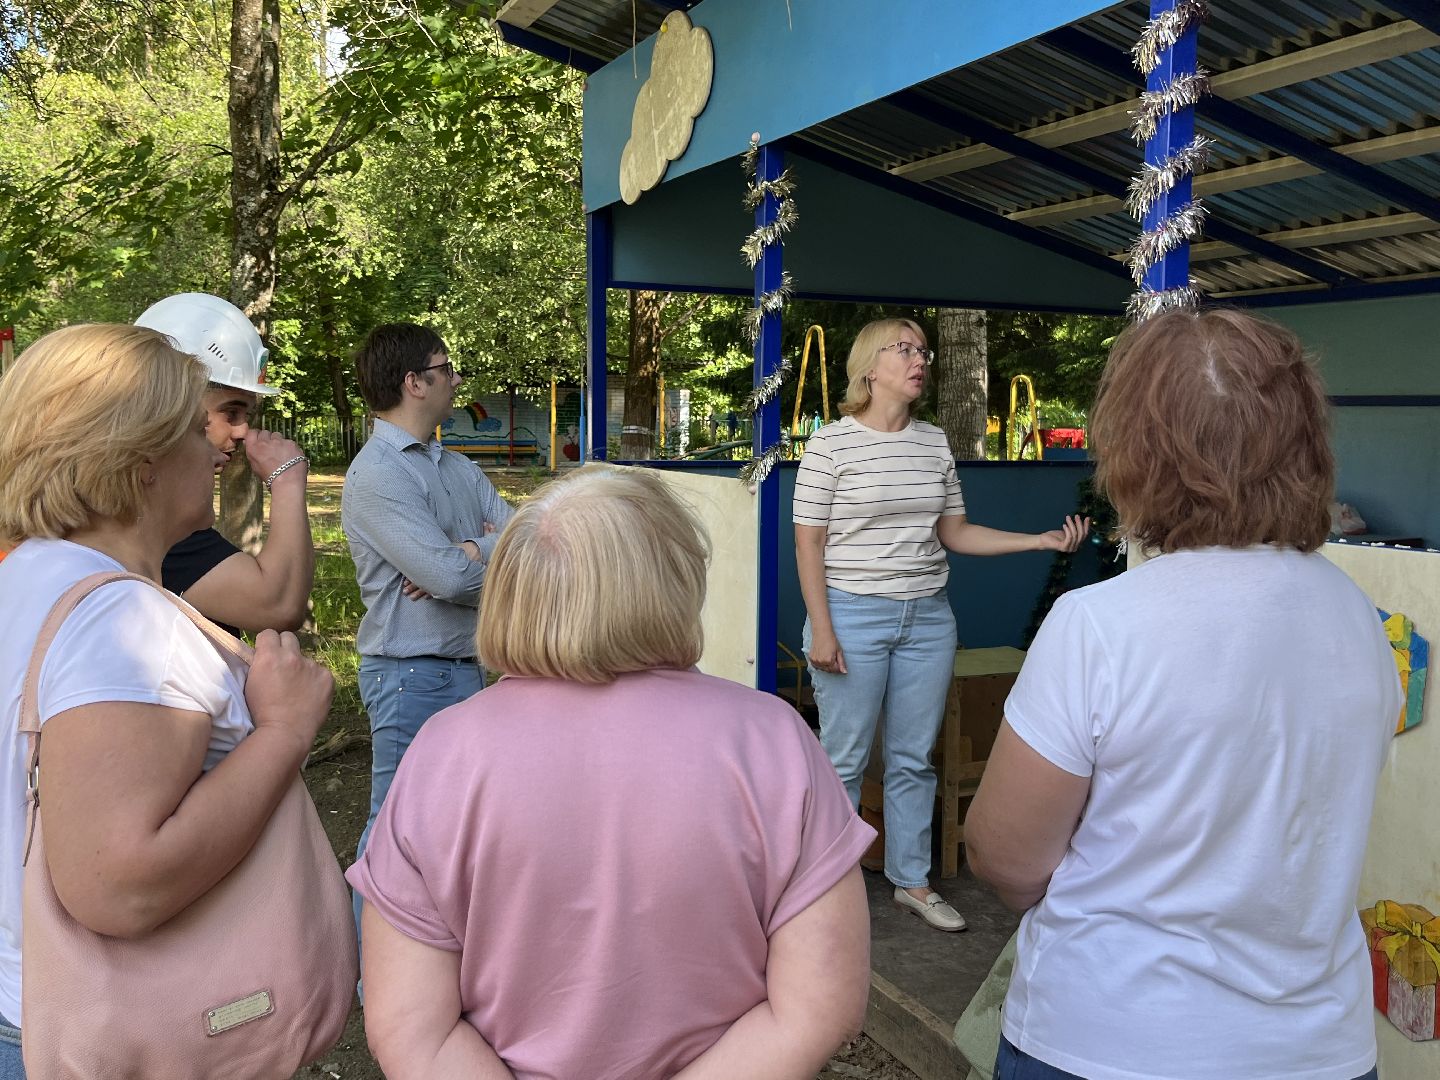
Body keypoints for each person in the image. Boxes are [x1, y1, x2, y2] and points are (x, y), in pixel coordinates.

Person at [965, 309, 1400, 1080]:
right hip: (1317, 1047)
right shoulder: (1357, 618)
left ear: (1136, 450)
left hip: (1106, 1038)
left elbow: (1004, 856)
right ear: (1305, 444)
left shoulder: (1100, 624)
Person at [349, 466, 875, 1079]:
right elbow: (817, 1009)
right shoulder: (774, 741)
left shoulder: (443, 754)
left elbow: (412, 1031)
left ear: (513, 589)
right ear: (676, 579)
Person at [0, 325, 336, 1077]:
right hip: (114, 1041)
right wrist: (281, 731)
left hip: (35, 1011)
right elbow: (121, 885)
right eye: (196, 428)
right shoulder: (118, 626)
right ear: (140, 460)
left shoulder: (30, 578)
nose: (217, 450)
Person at [794, 317, 1087, 933]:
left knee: (912, 758)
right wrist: (822, 628)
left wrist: (1037, 540)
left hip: (928, 617)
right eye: (904, 350)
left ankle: (912, 882)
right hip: (852, 613)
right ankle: (828, 891)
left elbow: (953, 532)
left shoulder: (931, 443)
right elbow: (809, 544)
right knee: (843, 759)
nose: (918, 359)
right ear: (870, 366)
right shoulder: (830, 445)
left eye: (923, 350)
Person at [341, 322, 514, 930]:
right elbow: (452, 581)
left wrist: (468, 549)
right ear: (415, 382)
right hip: (410, 677)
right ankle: (373, 976)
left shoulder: (454, 465)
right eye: (447, 368)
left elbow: (530, 537)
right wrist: (477, 555)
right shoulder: (378, 476)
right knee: (396, 829)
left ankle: (427, 963)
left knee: (452, 831)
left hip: (462, 671)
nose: (457, 379)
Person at [136, 292, 315, 634]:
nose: (243, 431)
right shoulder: (145, 521)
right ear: (167, 405)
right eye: (230, 411)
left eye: (246, 414)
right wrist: (287, 482)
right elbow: (278, 606)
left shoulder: (155, 512)